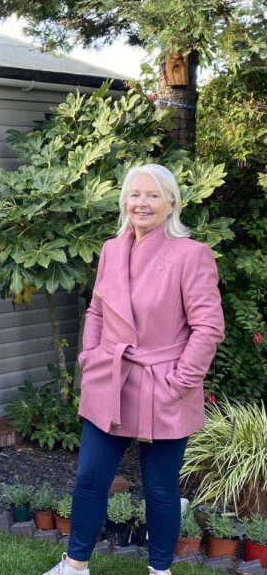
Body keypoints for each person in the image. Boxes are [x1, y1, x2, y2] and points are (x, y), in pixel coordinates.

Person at [45, 164, 224, 575]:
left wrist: (179, 381)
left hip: (163, 384)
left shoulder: (190, 254)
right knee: (90, 478)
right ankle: (74, 566)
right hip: (110, 377)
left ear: (171, 203)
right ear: (124, 201)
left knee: (160, 489)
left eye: (153, 195)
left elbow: (208, 327)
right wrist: (90, 357)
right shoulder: (111, 248)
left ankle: (159, 571)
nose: (142, 203)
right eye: (134, 194)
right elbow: (97, 310)